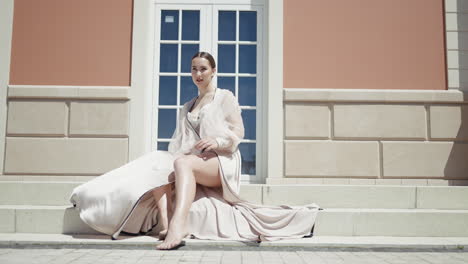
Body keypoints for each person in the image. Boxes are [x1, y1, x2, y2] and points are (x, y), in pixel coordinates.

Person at [70, 51, 319, 250]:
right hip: (195, 161)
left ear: (213, 72)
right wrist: (176, 157)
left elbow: (238, 133)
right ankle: (166, 225)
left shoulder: (224, 97)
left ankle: (179, 225)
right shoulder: (188, 105)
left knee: (182, 164)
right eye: (194, 69)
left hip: (221, 162)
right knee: (158, 163)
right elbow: (180, 142)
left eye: (203, 69)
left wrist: (218, 142)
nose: (198, 73)